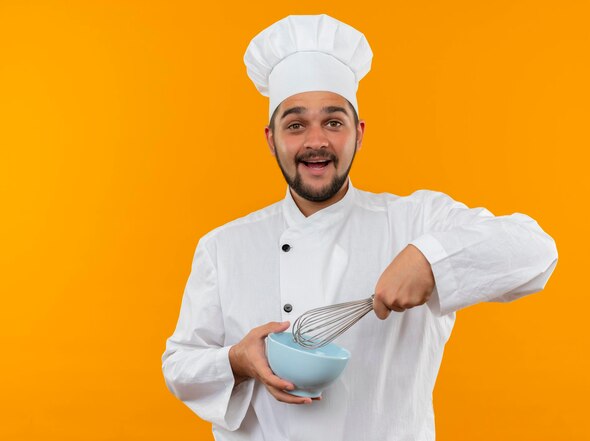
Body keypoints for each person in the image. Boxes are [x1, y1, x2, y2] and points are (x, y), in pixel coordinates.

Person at [162, 14, 558, 441]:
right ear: (271, 139)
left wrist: (429, 258)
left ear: (359, 134)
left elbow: (536, 251)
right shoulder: (224, 247)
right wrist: (237, 360)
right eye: (295, 125)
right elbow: (180, 364)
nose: (316, 141)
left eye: (334, 122)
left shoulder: (414, 220)